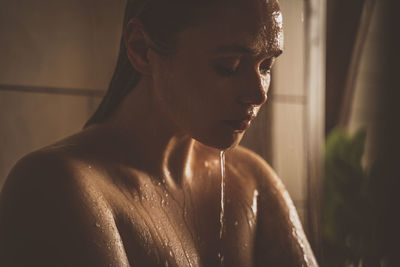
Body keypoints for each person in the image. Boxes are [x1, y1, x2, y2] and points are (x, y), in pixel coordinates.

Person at [0, 0, 318, 266]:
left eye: (266, 66)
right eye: (229, 66)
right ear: (141, 49)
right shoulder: (55, 185)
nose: (258, 94)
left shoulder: (250, 180)